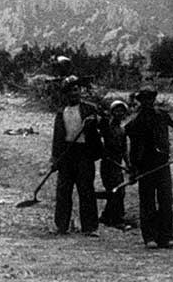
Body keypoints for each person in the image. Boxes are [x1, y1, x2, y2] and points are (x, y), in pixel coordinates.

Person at [125, 87, 173, 249]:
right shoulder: (137, 121)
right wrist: (132, 169)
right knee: (147, 201)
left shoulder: (163, 115)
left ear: (154, 99)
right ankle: (149, 237)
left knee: (165, 200)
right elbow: (131, 144)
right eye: (144, 99)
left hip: (163, 164)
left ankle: (166, 236)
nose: (148, 102)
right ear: (140, 101)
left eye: (150, 98)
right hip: (145, 166)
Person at [51, 80, 103, 236]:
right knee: (63, 191)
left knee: (86, 190)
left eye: (76, 90)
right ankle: (61, 226)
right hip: (67, 153)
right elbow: (57, 138)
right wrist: (55, 159)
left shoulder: (90, 109)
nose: (74, 93)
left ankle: (90, 227)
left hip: (84, 154)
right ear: (65, 94)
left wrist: (95, 121)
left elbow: (104, 123)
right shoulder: (61, 112)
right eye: (70, 91)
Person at [98, 100, 130, 228]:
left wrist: (128, 164)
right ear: (112, 112)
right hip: (108, 164)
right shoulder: (107, 127)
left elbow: (124, 149)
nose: (119, 113)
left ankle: (106, 216)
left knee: (118, 191)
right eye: (117, 110)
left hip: (118, 164)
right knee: (116, 191)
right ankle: (117, 220)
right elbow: (99, 135)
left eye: (122, 111)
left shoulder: (122, 130)